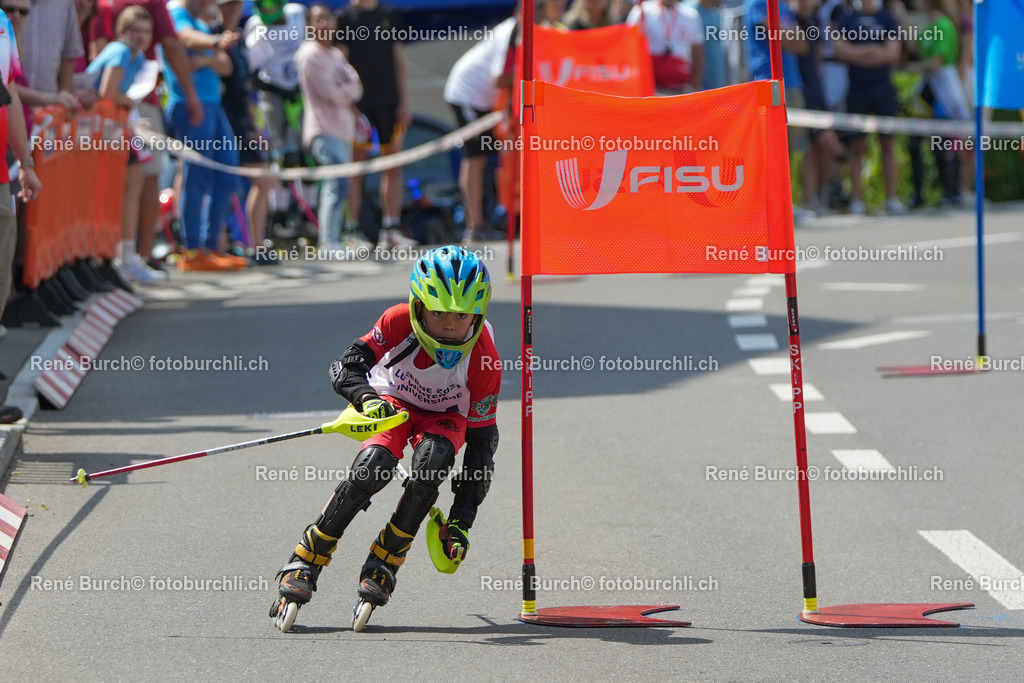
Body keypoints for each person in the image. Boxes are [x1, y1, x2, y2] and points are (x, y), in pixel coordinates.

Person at [270, 245, 501, 628]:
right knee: (372, 467)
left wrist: (461, 521)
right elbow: (345, 366)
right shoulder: (397, 321)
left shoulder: (485, 357)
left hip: (445, 417)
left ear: (477, 315)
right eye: (438, 311)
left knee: (433, 461)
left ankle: (386, 560)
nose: (448, 324)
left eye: (460, 316)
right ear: (418, 306)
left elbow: (481, 448)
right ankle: (307, 556)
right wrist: (365, 398)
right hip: (392, 403)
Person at [86, 5, 167, 284]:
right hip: (94, 127)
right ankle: (117, 255)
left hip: (112, 126)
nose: (141, 36)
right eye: (135, 31)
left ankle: (127, 254)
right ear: (122, 32)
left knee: (133, 183)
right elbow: (107, 92)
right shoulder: (121, 51)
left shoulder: (138, 56)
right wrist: (132, 105)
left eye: (146, 31)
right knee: (121, 186)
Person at [163, 0, 244, 271]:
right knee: (196, 175)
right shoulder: (176, 14)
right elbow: (185, 38)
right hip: (191, 103)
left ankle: (211, 246)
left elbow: (226, 65)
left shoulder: (202, 23)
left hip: (212, 105)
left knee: (227, 171)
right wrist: (215, 43)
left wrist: (205, 54)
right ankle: (192, 249)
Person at [335, 0, 417, 249]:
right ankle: (353, 231)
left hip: (389, 103)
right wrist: (350, 106)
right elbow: (341, 67)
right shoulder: (345, 18)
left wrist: (404, 102)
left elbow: (398, 61)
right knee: (355, 169)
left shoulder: (389, 15)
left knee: (392, 164)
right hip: (360, 105)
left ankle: (391, 229)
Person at [1, 7, 43, 423]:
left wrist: (25, 162)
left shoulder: (2, 25)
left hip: (0, 175)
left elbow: (9, 93)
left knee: (0, 284)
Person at [295, 4, 363, 252]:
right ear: (309, 26)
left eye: (328, 19)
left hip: (343, 131)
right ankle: (328, 241)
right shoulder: (308, 54)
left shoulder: (336, 55)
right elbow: (331, 92)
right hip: (322, 130)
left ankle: (335, 237)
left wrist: (345, 89)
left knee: (342, 185)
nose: (325, 24)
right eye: (318, 20)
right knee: (335, 184)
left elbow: (357, 86)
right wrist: (346, 89)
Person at [443, 14, 517, 244]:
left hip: (484, 102)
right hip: (468, 95)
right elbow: (500, 78)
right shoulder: (511, 32)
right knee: (474, 158)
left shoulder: (519, 31)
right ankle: (474, 226)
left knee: (482, 158)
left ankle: (479, 223)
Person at [212, 0, 275, 264]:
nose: (233, 8)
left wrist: (256, 124)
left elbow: (246, 88)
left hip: (241, 119)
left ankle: (255, 244)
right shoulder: (211, 35)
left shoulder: (238, 38)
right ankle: (219, 244)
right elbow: (215, 71)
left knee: (262, 179)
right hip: (221, 117)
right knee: (224, 183)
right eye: (228, 4)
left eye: (237, 4)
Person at [833, 0, 905, 214]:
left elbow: (893, 54)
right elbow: (841, 51)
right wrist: (874, 51)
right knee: (856, 146)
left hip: (883, 89)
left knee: (888, 144)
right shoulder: (846, 18)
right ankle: (856, 199)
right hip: (857, 90)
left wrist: (859, 53)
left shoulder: (887, 18)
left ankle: (891, 198)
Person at [627, 0, 705, 93]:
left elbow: (698, 55)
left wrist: (695, 88)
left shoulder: (691, 15)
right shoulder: (642, 11)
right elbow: (629, 46)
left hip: (681, 88)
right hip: (651, 88)